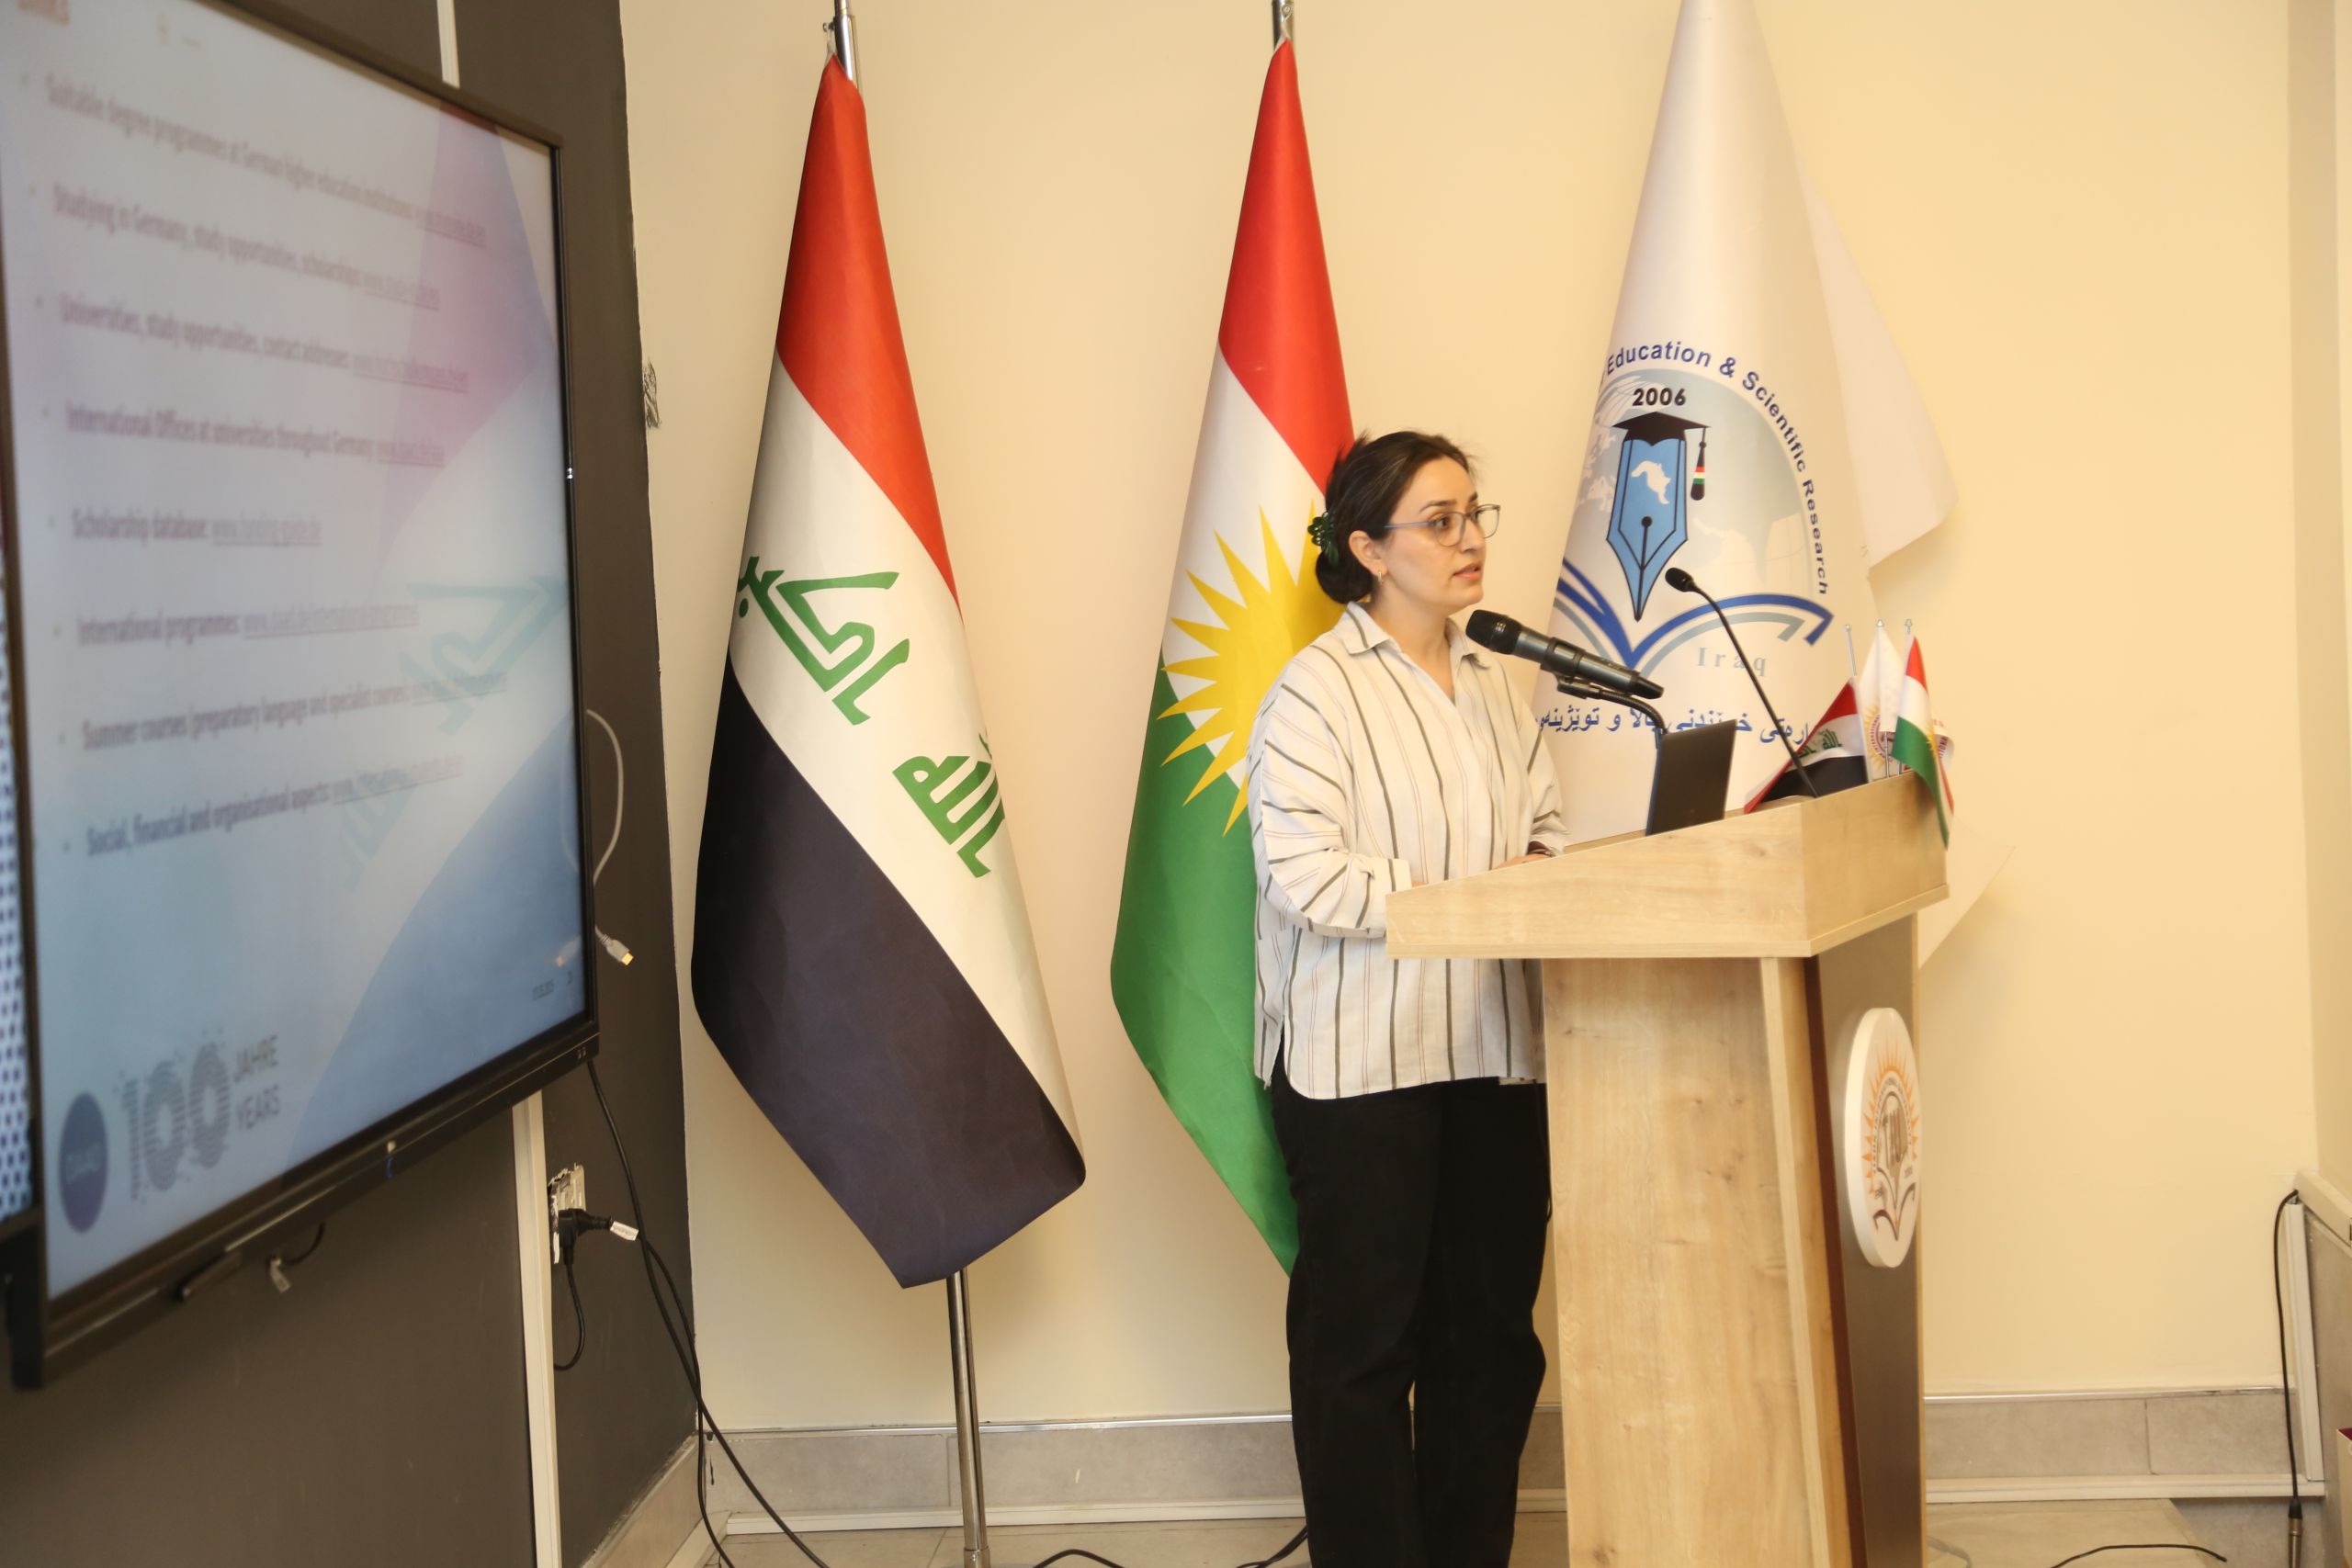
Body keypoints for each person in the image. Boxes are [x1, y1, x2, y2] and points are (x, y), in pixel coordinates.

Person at [1245, 430, 1569, 1567]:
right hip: (1360, 1069)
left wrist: (1531, 872)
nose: (1469, 538)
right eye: (1440, 520)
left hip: (1495, 1055)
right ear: (1370, 550)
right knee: (1362, 1352)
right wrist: (1474, 894)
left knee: (1490, 1345)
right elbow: (1306, 877)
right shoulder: (1313, 693)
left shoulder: (1497, 685)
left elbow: (1547, 831)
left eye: (1474, 514)